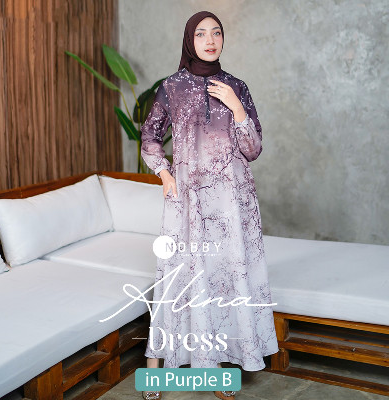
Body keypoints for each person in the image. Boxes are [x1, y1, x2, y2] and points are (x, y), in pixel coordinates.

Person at [140, 10, 279, 400]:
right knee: (180, 276)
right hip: (188, 202)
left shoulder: (237, 86)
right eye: (201, 34)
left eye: (216, 33)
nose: (210, 40)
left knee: (224, 277)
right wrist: (165, 174)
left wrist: (237, 107)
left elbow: (253, 149)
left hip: (233, 203)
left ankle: (215, 367)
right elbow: (149, 136)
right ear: (190, 40)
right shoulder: (171, 88)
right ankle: (159, 366)